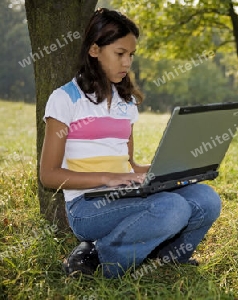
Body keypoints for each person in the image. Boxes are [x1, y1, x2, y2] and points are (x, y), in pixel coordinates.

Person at [39, 8, 221, 278]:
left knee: (207, 199)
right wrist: (108, 178)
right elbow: (49, 175)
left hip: (126, 192)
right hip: (87, 205)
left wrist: (173, 170)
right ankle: (105, 258)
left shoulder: (127, 103)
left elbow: (130, 165)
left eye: (131, 55)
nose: (127, 63)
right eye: (120, 53)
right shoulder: (65, 99)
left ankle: (170, 258)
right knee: (172, 208)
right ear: (94, 50)